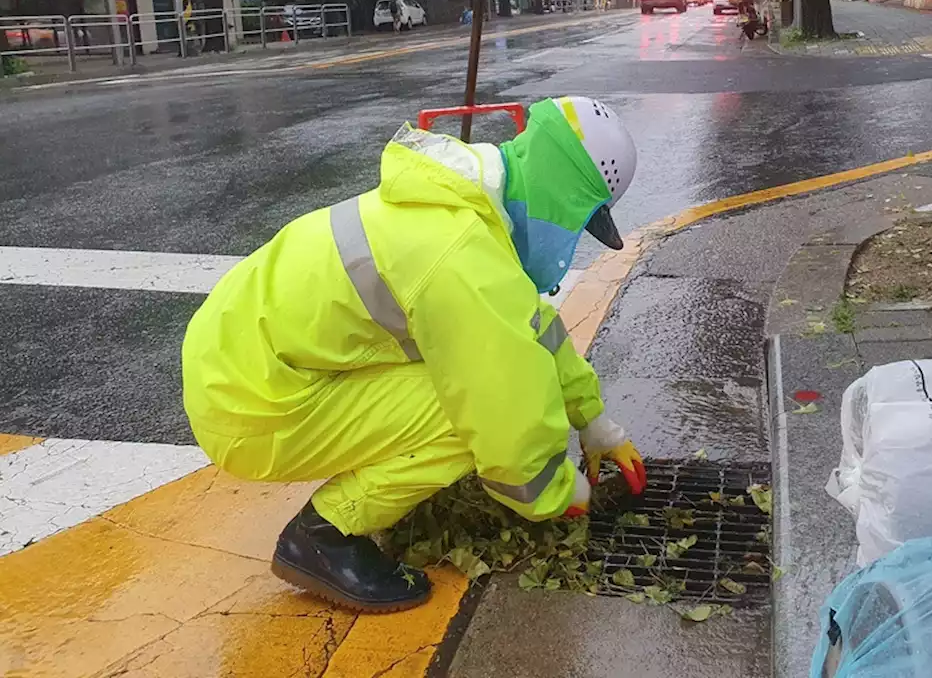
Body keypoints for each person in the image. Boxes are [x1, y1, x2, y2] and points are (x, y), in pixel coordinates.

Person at [182, 97, 646, 612]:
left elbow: (530, 329)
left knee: (473, 365)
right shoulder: (461, 256)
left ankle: (369, 496)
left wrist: (595, 422)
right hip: (251, 405)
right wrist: (565, 494)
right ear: (564, 198)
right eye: (579, 225)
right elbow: (504, 411)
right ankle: (324, 535)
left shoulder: (458, 202)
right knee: (472, 411)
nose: (572, 242)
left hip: (237, 362)